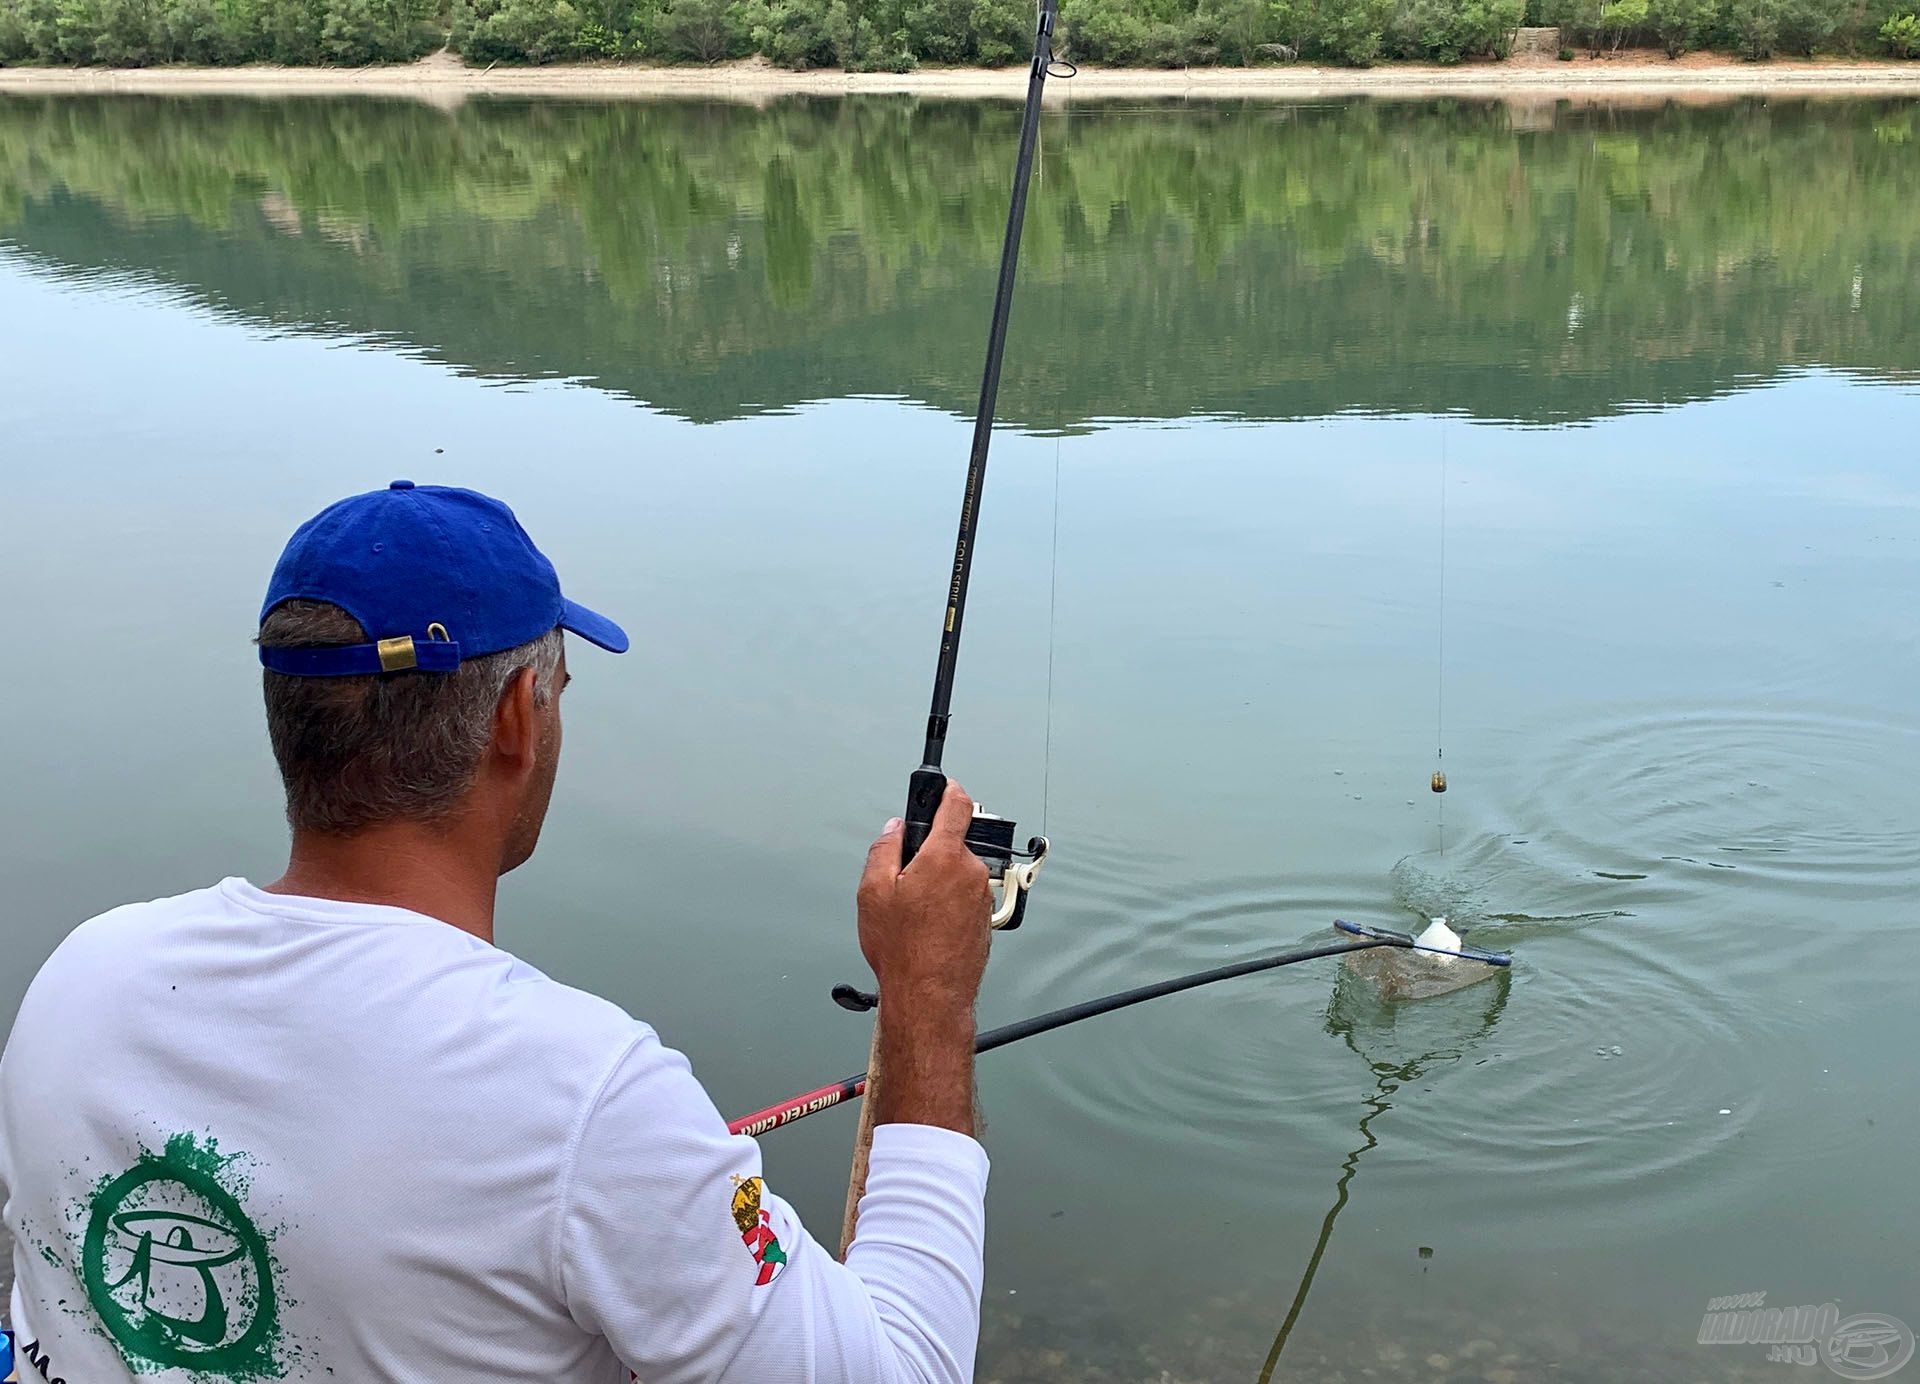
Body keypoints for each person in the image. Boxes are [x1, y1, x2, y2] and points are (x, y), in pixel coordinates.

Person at [0, 481, 994, 1384]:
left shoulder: (82, 982)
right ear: (521, 716)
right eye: (559, 688)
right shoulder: (585, 1100)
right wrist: (928, 992)